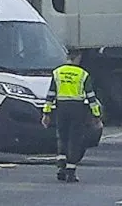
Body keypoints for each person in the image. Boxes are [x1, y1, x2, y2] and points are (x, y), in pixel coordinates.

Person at [42, 49, 102, 183]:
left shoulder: (57, 72)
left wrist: (46, 113)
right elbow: (91, 97)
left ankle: (61, 168)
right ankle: (70, 172)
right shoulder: (83, 74)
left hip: (61, 108)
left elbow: (51, 95)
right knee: (74, 139)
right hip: (77, 109)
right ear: (78, 58)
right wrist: (96, 116)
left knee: (62, 137)